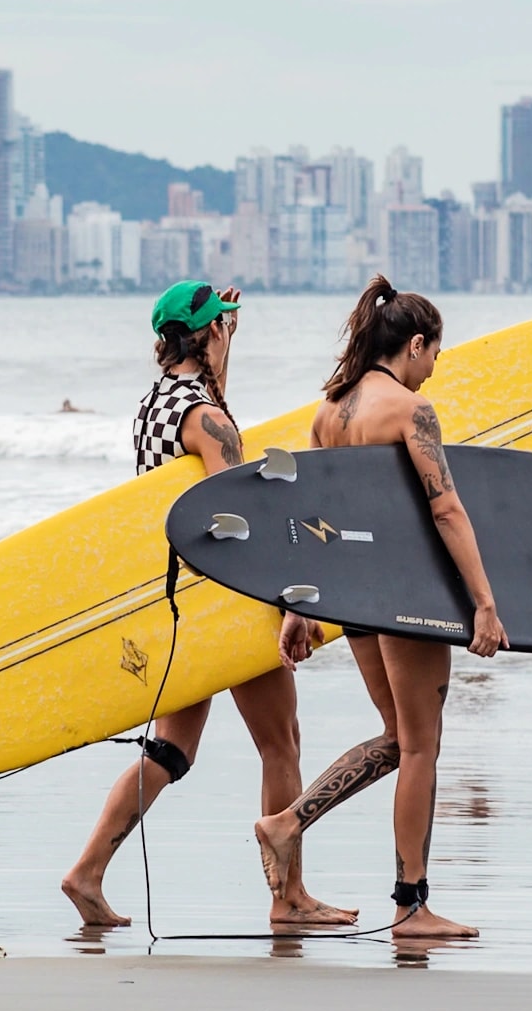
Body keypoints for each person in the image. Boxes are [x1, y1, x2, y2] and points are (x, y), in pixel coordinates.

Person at [60, 281, 355, 930]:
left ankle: (87, 872)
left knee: (171, 752)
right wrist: (288, 603)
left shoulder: (154, 405)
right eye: (224, 327)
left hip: (174, 600)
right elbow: (239, 521)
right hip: (226, 603)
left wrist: (223, 329)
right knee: (282, 744)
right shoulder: (209, 418)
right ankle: (290, 897)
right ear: (210, 335)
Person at [253, 276, 506, 940]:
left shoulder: (329, 412)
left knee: (397, 740)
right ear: (416, 344)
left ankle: (286, 823)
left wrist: (299, 606)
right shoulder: (409, 412)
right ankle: (411, 907)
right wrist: (484, 603)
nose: (433, 369)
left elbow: (310, 517)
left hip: (354, 598)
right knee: (422, 747)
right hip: (409, 593)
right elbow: (446, 508)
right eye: (435, 354)